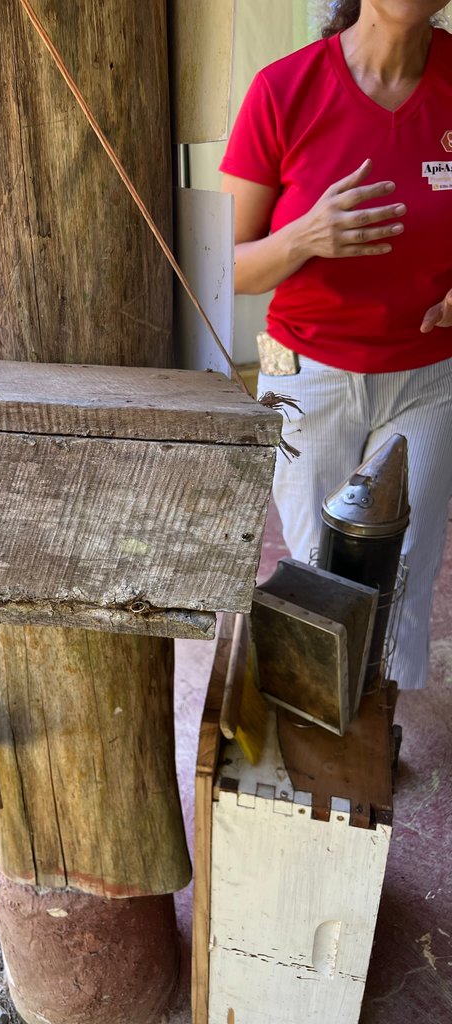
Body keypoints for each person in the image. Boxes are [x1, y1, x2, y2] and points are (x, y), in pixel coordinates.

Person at [220, 0, 452, 690]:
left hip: (431, 375)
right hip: (304, 371)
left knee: (405, 564)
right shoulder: (284, 90)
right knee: (319, 571)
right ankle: (320, 720)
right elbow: (221, 267)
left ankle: (378, 725)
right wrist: (304, 237)